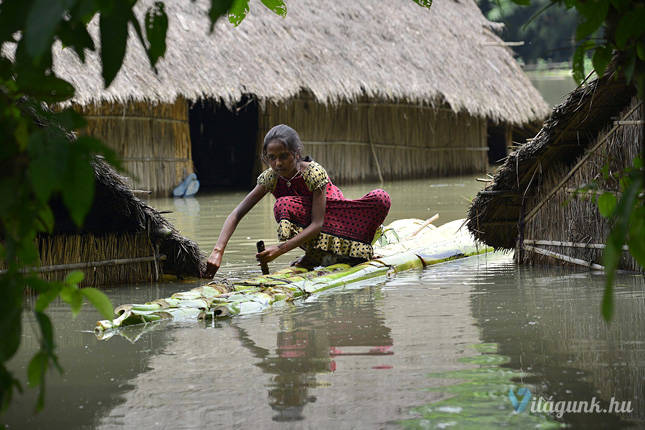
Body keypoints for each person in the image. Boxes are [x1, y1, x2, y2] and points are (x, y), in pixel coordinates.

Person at [203, 124, 391, 277]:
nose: (278, 163)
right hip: (312, 227)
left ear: (296, 154)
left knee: (380, 198)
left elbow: (318, 223)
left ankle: (335, 254)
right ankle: (314, 256)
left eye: (284, 156)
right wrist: (218, 252)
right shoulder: (270, 178)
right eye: (272, 158)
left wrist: (279, 249)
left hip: (339, 221)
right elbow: (237, 214)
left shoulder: (313, 172)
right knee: (283, 205)